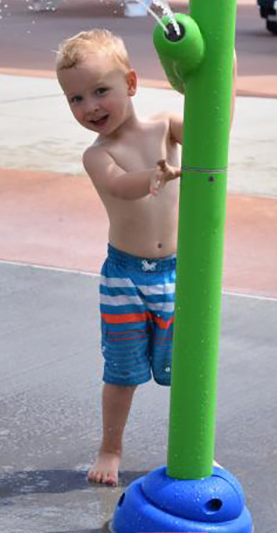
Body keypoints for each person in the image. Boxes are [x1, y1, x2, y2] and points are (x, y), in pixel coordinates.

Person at [55, 28, 183, 487]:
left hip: (178, 273)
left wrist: (222, 69)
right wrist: (154, 176)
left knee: (187, 369)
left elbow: (214, 132)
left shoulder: (166, 124)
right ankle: (111, 447)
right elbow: (118, 186)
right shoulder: (98, 154)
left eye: (99, 91)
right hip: (124, 279)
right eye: (75, 99)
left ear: (130, 83)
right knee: (122, 371)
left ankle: (191, 448)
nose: (89, 107)